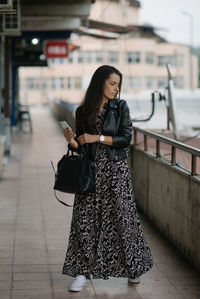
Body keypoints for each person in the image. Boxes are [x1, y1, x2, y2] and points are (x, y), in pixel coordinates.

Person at [63, 65, 153, 292]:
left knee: (123, 219)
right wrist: (73, 141)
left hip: (116, 172)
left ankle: (133, 268)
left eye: (118, 84)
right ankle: (82, 272)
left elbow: (125, 138)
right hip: (91, 172)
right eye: (112, 83)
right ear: (99, 82)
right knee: (84, 221)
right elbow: (81, 147)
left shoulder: (120, 107)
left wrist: (97, 137)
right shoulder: (82, 111)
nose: (116, 88)